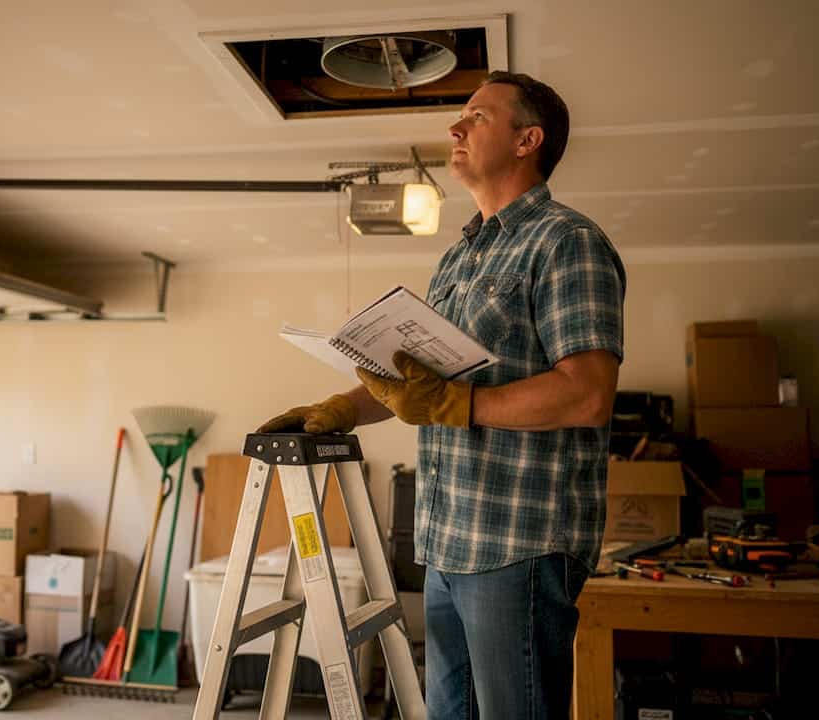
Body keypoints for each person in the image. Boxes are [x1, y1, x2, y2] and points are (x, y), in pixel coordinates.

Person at [259, 70, 626, 720]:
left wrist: (463, 407)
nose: (454, 128)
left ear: (526, 140)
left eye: (477, 117)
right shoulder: (459, 259)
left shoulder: (567, 243)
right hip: (446, 540)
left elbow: (586, 395)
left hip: (520, 545)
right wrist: (343, 408)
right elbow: (421, 386)